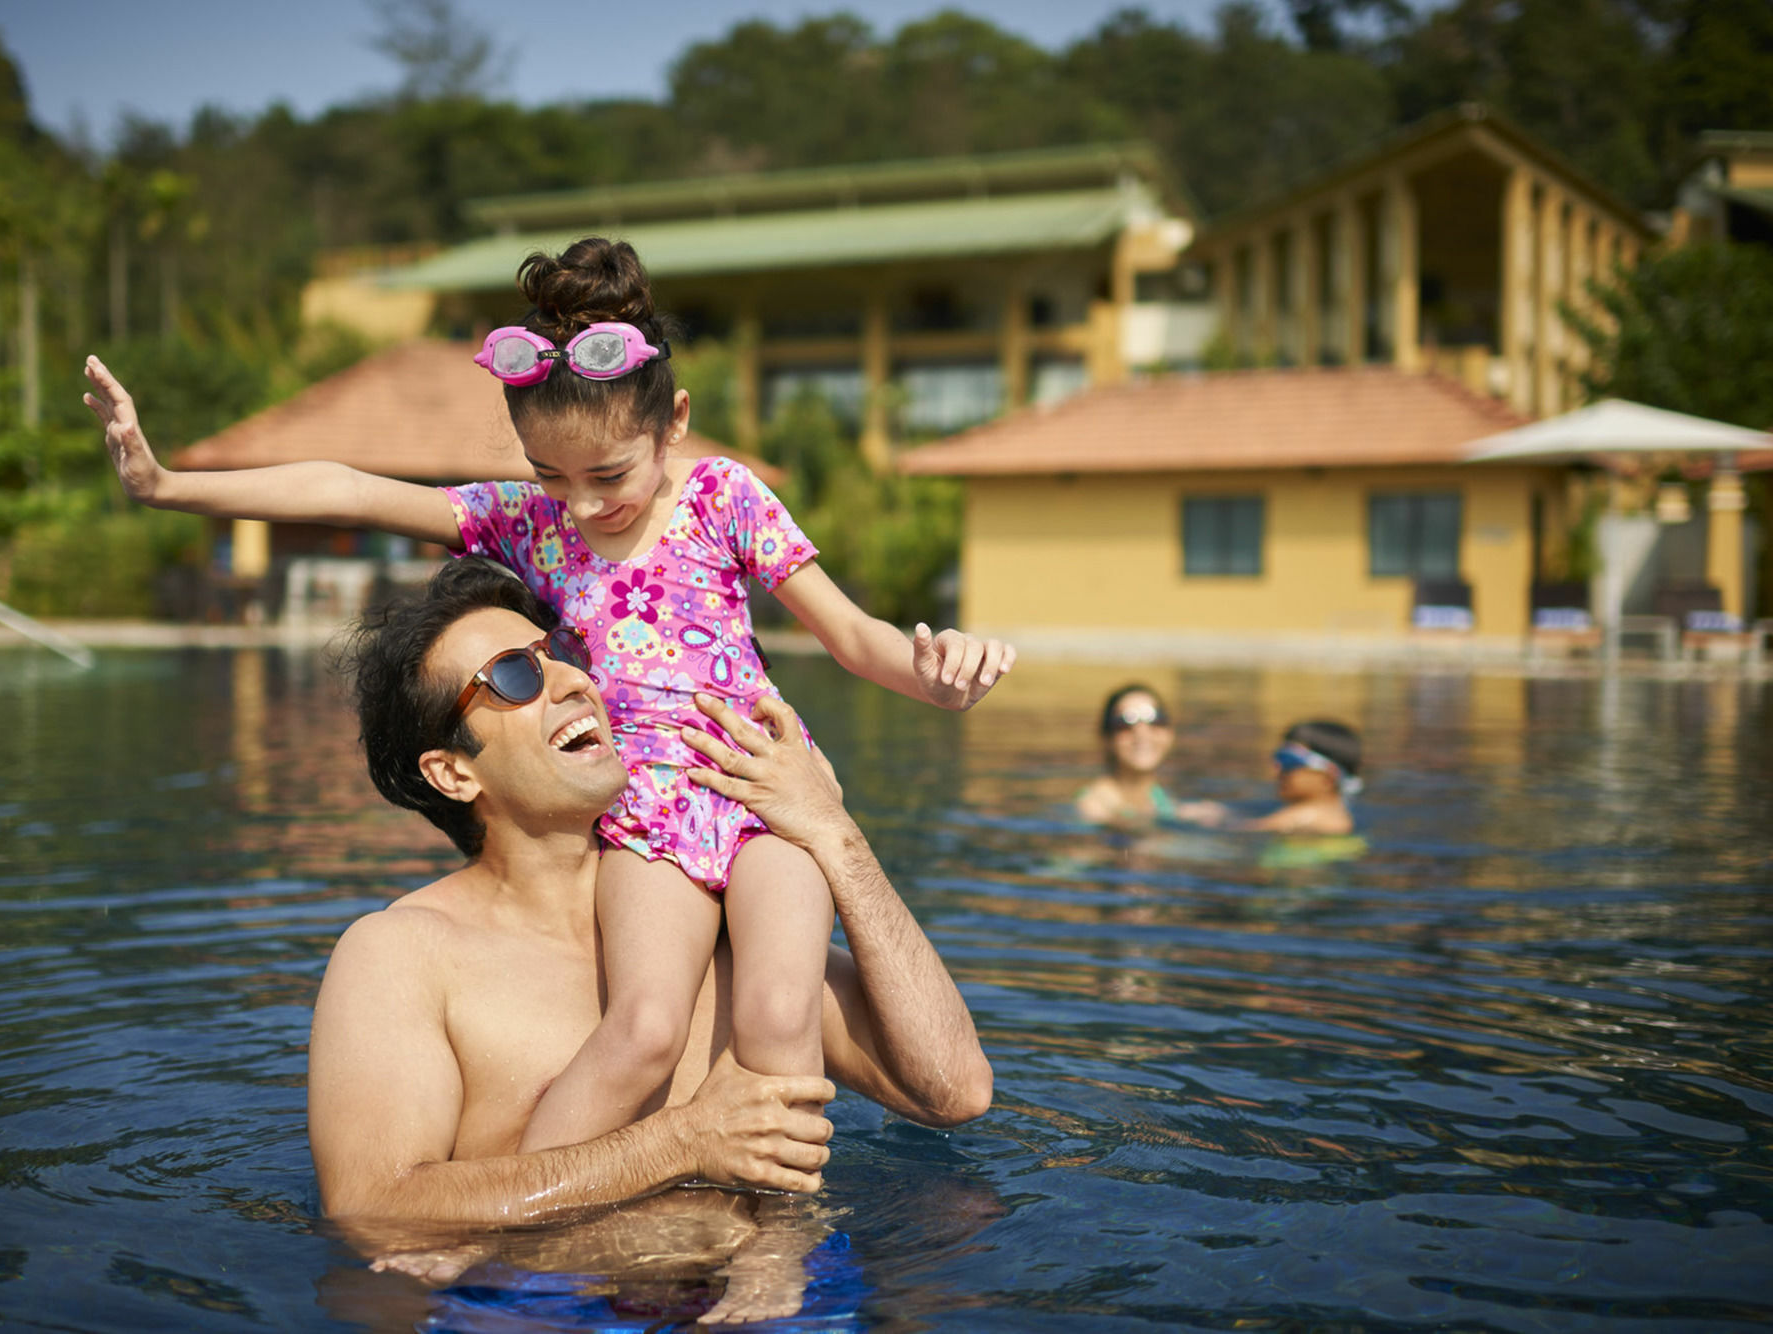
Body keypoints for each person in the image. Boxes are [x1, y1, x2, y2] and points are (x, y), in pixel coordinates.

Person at [84, 236, 1013, 1163]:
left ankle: (771, 1276)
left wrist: (934, 677)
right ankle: (520, 1240)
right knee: (643, 1028)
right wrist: (165, 485)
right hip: (645, 808)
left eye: (608, 475)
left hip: (765, 786)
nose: (579, 504)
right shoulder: (524, 522)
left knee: (777, 1015)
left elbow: (853, 638)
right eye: (550, 475)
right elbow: (351, 488)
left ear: (673, 422)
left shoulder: (727, 497)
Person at [307, 558, 991, 1320]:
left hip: (773, 1294)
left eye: (560, 652)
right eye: (514, 677)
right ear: (453, 773)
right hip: (538, 1306)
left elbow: (952, 1090)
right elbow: (376, 1209)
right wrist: (680, 1143)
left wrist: (834, 833)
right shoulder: (403, 955)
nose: (571, 681)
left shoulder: (714, 920)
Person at [1074, 683, 1223, 828]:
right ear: (1106, 738)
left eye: (1155, 720)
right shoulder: (1095, 806)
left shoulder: (1157, 796)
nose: (1142, 733)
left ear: (1170, 733)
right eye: (1125, 723)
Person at [1238, 719, 1362, 836]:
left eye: (1289, 760)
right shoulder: (1340, 817)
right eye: (1279, 758)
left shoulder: (1302, 816)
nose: (1278, 770)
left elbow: (1241, 832)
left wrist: (1221, 819)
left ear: (1328, 777)